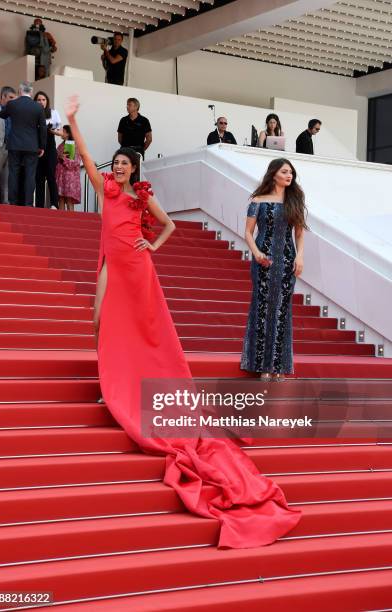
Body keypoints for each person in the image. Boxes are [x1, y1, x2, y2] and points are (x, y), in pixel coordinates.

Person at [65, 95, 301, 549]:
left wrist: (151, 247)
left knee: (138, 329)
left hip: (137, 268)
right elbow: (87, 159)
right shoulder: (107, 189)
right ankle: (111, 379)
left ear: (133, 168)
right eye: (113, 163)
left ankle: (116, 384)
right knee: (99, 321)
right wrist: (74, 120)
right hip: (111, 264)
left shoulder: (139, 198)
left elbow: (168, 226)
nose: (115, 169)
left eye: (122, 164)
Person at [241, 158, 307, 382]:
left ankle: (278, 365)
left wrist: (299, 256)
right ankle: (261, 366)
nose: (289, 176)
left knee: (281, 310)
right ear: (274, 174)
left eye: (291, 173)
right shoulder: (257, 200)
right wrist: (257, 253)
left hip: (287, 260)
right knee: (262, 309)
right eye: (285, 172)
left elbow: (299, 232)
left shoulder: (294, 200)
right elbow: (248, 232)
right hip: (263, 261)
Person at [0, 81, 46, 207]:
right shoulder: (38, 107)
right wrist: (42, 146)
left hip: (14, 144)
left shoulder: (12, 104)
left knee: (13, 173)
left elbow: (2, 114)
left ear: (19, 91)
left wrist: (8, 107)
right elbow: (43, 128)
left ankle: (13, 202)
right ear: (31, 92)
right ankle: (28, 204)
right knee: (30, 174)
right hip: (32, 146)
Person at [34, 91, 61, 208]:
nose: (41, 102)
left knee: (51, 177)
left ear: (47, 101)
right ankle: (39, 206)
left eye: (43, 100)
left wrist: (50, 130)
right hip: (37, 149)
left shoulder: (53, 113)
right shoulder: (32, 113)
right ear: (35, 101)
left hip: (50, 148)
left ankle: (54, 204)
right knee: (39, 178)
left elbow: (60, 131)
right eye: (39, 100)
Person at [55, 124, 81, 211]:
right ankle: (61, 221)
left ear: (68, 134)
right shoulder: (61, 145)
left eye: (63, 131)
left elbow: (72, 163)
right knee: (61, 199)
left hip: (69, 177)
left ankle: (71, 221)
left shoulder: (71, 144)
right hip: (61, 176)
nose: (61, 132)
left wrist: (62, 158)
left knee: (69, 199)